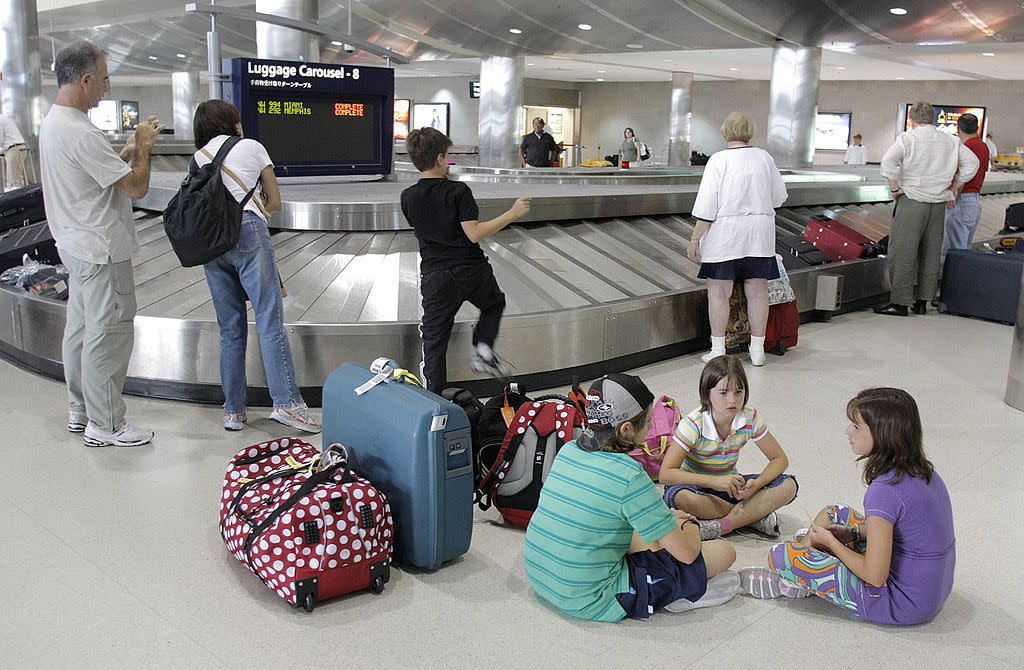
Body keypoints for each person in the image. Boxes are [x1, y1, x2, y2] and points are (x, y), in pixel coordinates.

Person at [524, 373, 739, 621]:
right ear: (626, 430)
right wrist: (688, 526)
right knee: (724, 552)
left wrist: (666, 521)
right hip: (591, 598)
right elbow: (687, 555)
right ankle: (681, 594)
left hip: (540, 576)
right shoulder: (630, 474)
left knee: (646, 534)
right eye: (647, 422)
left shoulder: (568, 450)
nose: (650, 428)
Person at [739, 388, 956, 626]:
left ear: (883, 434)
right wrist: (852, 533)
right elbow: (904, 532)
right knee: (837, 513)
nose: (848, 431)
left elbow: (875, 576)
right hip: (931, 591)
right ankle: (810, 556)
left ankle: (796, 576)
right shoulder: (925, 472)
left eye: (856, 426)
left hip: (901, 603)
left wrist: (833, 543)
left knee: (780, 556)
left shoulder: (884, 490)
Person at [40, 41, 162, 447]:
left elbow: (94, 175)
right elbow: (136, 186)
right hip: (100, 249)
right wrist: (143, 145)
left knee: (80, 328)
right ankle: (107, 423)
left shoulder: (54, 123)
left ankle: (81, 410)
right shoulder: (80, 133)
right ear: (85, 79)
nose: (106, 89)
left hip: (73, 244)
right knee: (108, 333)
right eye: (104, 81)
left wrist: (125, 150)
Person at [191, 99, 320, 433]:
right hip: (247, 231)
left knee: (230, 328)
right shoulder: (251, 147)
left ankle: (233, 411)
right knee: (268, 320)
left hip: (210, 242)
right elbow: (274, 202)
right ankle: (287, 404)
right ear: (233, 122)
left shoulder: (199, 156)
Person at [401, 127, 530, 393]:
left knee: (434, 340)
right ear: (439, 158)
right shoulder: (458, 191)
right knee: (494, 303)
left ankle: (435, 401)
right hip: (471, 270)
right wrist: (512, 213)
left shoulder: (408, 196)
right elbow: (473, 234)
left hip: (435, 276)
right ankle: (483, 350)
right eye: (447, 156)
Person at [659, 355, 798, 541]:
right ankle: (751, 515)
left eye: (738, 392)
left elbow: (780, 459)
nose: (732, 400)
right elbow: (666, 474)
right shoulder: (693, 424)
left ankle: (721, 525)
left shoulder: (749, 418)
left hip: (731, 488)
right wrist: (716, 482)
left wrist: (756, 484)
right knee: (681, 498)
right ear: (707, 393)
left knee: (789, 486)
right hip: (695, 487)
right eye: (723, 393)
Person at [687, 112, 787, 366]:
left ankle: (718, 349)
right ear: (750, 131)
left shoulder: (719, 160)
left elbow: (708, 205)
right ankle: (757, 350)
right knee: (757, 292)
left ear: (725, 131)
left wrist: (695, 238)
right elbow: (779, 197)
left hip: (726, 236)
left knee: (719, 293)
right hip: (760, 235)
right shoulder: (765, 158)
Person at [875, 102, 978, 317]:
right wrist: (956, 186)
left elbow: (887, 162)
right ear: (933, 118)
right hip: (938, 204)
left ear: (912, 119)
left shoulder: (908, 138)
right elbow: (972, 163)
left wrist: (895, 189)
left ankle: (900, 303)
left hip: (912, 200)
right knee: (931, 253)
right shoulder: (951, 141)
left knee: (903, 252)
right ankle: (922, 301)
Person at [941, 113, 988, 264]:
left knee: (953, 255)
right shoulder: (983, 146)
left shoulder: (967, 147)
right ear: (977, 127)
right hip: (973, 203)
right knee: (963, 252)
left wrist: (953, 194)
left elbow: (963, 175)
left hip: (960, 203)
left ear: (958, 128)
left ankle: (952, 287)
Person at [0, 113, 29, 189]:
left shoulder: (0, 120)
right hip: (15, 149)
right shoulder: (4, 119)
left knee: (14, 180)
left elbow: (0, 139)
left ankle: (18, 200)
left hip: (14, 149)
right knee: (12, 181)